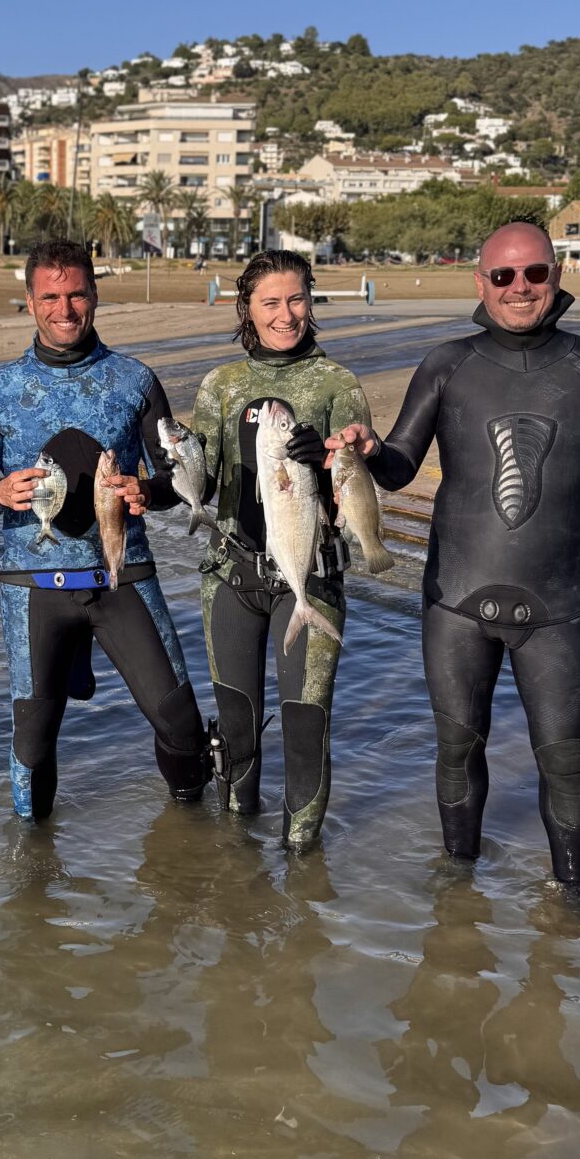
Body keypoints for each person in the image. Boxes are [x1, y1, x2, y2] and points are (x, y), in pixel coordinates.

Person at [328, 223, 580, 885]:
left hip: (559, 608)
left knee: (565, 762)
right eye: (503, 276)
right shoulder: (446, 364)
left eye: (535, 273)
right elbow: (399, 467)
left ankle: (571, 903)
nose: (520, 288)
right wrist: (370, 451)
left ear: (557, 274)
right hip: (455, 602)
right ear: (480, 282)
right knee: (456, 751)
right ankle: (457, 901)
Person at [0, 239, 208, 821]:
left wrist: (150, 492)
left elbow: (176, 475)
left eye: (76, 295)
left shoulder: (135, 380)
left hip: (124, 576)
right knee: (33, 741)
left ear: (94, 295)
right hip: (34, 587)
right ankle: (31, 863)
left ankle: (194, 844)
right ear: (29, 301)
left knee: (181, 723)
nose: (64, 309)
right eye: (50, 297)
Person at [191, 249, 371, 851]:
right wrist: (152, 482)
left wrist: (328, 459)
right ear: (246, 308)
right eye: (270, 302)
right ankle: (237, 859)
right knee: (236, 726)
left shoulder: (338, 384)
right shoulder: (221, 385)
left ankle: (301, 859)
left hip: (311, 578)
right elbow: (198, 482)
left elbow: (358, 482)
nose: (286, 314)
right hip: (231, 576)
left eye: (296, 299)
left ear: (311, 302)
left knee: (304, 726)